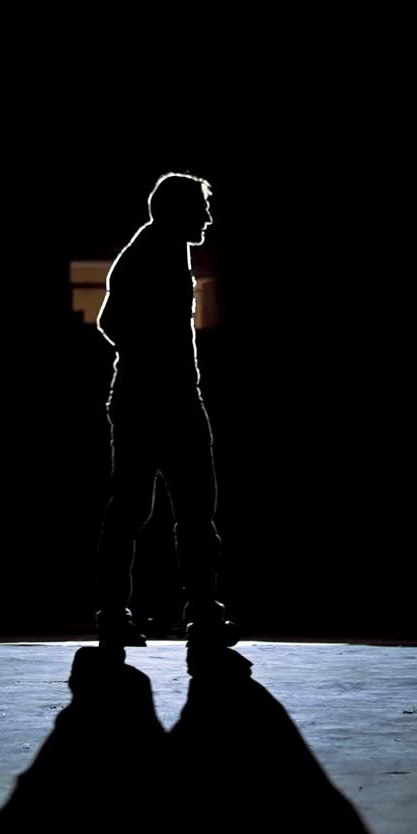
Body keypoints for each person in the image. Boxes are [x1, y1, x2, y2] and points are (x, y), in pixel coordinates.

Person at [94, 172, 237, 649]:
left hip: (154, 398)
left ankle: (124, 615)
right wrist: (155, 361)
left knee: (145, 512)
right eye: (202, 208)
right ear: (179, 210)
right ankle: (190, 614)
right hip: (157, 400)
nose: (208, 217)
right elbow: (110, 321)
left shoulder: (163, 249)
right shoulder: (151, 253)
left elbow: (111, 322)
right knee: (177, 512)